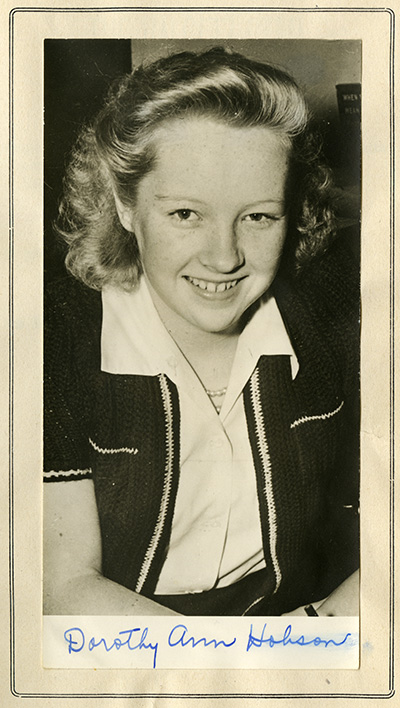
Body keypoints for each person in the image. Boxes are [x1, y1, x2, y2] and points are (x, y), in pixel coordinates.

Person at [43, 46, 359, 617]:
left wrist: (307, 641)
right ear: (123, 204)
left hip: (310, 626)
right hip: (120, 648)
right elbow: (62, 586)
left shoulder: (338, 309)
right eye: (186, 214)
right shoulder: (51, 336)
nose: (225, 257)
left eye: (258, 216)